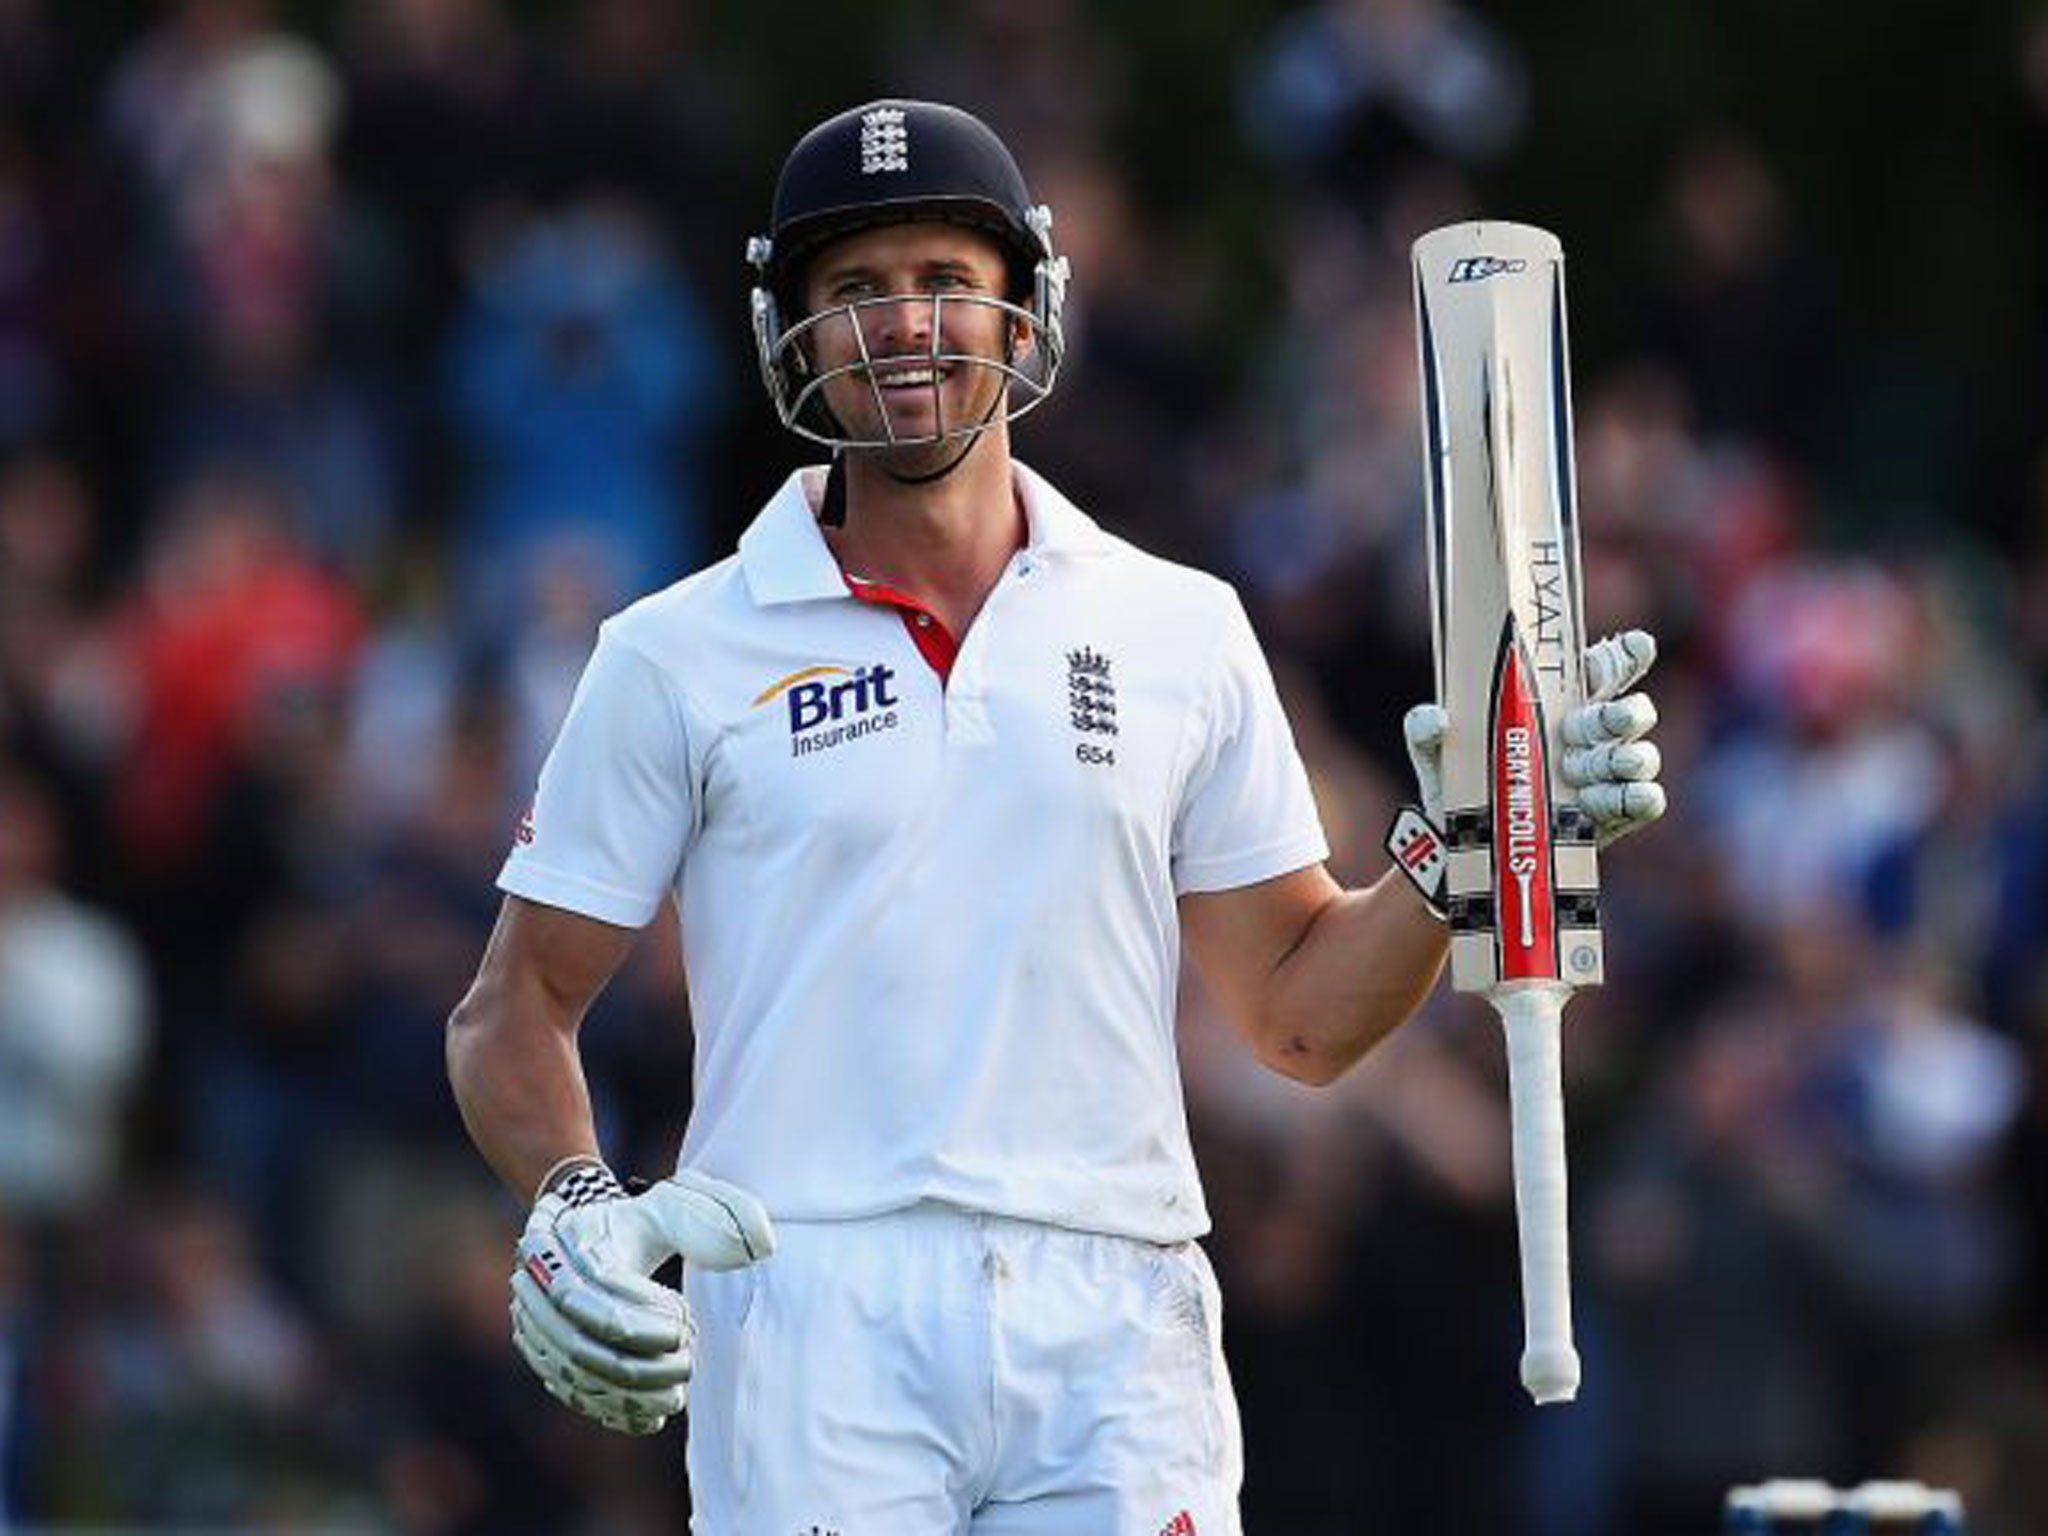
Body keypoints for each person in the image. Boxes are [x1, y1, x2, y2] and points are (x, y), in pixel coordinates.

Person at [445, 98, 1666, 1533]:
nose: (907, 324)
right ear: (794, 328)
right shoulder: (675, 652)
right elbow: (514, 1006)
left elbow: (1298, 1018)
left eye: (947, 281)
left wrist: (1471, 841)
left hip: (1118, 1301)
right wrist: (578, 1209)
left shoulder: (1180, 628)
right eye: (857, 291)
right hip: (809, 1297)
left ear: (1023, 309)